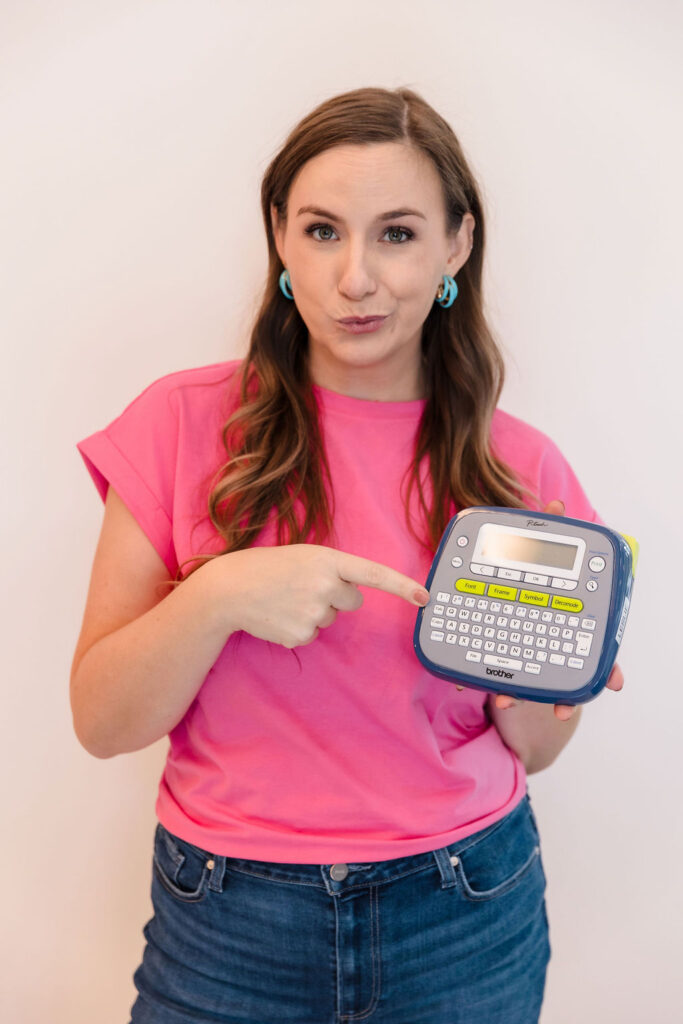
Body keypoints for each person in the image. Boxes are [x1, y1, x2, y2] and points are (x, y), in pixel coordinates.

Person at [70, 86, 623, 1024]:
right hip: (226, 919)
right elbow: (102, 721)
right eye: (323, 231)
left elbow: (533, 747)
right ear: (280, 237)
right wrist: (220, 596)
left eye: (397, 234)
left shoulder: (519, 470)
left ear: (456, 245)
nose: (355, 278)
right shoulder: (180, 424)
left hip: (464, 913)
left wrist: (545, 684)